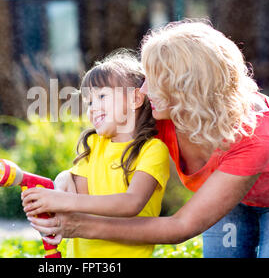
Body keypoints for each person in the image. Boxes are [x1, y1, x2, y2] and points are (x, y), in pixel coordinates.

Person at [24, 20, 269, 258]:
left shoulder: (256, 132)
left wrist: (78, 226)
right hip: (228, 199)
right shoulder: (160, 112)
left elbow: (180, 226)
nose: (144, 89)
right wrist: (64, 187)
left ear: (188, 86)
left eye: (155, 79)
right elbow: (98, 155)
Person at [22, 50, 170, 257]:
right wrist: (61, 189)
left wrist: (61, 200)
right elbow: (81, 206)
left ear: (135, 99)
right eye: (89, 102)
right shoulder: (92, 144)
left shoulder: (152, 150)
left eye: (101, 96)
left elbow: (132, 203)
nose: (92, 108)